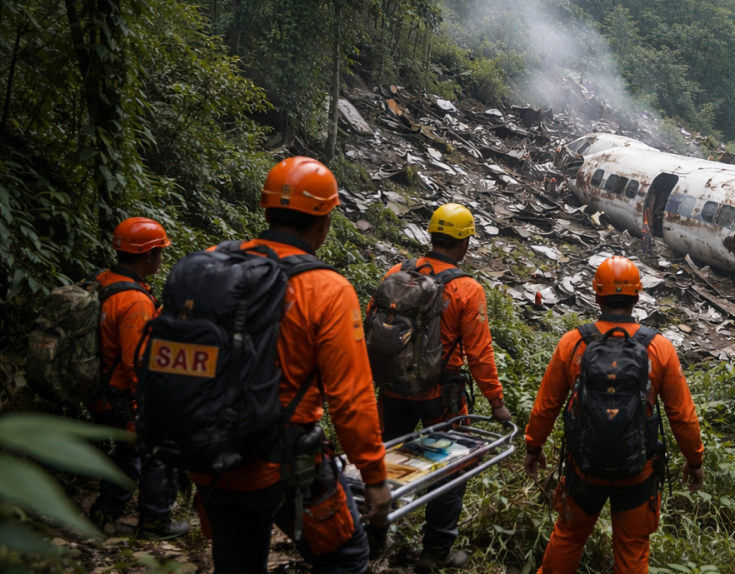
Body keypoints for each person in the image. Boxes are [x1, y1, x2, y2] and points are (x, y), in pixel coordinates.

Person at [191, 157, 391, 574]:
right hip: (284, 463)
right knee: (347, 557)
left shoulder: (210, 264)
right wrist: (374, 477)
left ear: (266, 210)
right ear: (325, 221)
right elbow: (351, 399)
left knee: (236, 564)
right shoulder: (327, 289)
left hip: (208, 451)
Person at [524, 256, 705, 574]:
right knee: (633, 549)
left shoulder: (574, 342)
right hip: (637, 472)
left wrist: (533, 446)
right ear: (637, 295)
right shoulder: (659, 347)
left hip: (584, 469)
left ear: (596, 294)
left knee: (568, 536)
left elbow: (547, 405)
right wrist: (695, 460)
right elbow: (682, 416)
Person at [367, 202, 511, 569]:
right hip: (440, 397)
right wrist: (496, 402)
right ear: (464, 243)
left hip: (391, 389)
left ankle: (373, 537)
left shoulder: (397, 271)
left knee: (383, 463)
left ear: (431, 235)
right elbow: (479, 353)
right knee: (453, 467)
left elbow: (371, 324)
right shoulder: (467, 289)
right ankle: (435, 551)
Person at [86, 218, 188, 539]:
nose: (162, 257)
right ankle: (155, 522)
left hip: (99, 390)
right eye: (161, 251)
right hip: (122, 396)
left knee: (127, 453)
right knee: (158, 451)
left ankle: (106, 511)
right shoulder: (135, 300)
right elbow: (136, 363)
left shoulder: (101, 280)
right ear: (148, 255)